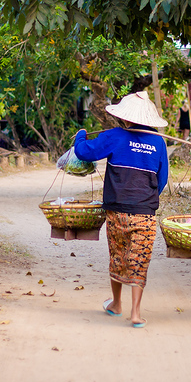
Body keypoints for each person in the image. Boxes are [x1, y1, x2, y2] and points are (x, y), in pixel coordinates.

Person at [72, 91, 169, 328]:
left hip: (117, 212)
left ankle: (116, 304)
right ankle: (135, 313)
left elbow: (84, 152)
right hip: (145, 213)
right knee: (139, 259)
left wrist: (81, 136)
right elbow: (162, 179)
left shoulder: (114, 136)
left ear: (125, 118)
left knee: (118, 255)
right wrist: (145, 199)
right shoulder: (158, 142)